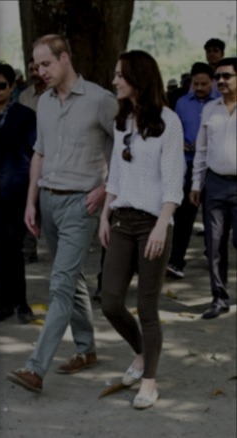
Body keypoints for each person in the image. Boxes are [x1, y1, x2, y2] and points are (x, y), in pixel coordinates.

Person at [6, 34, 117, 394]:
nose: (40, 71)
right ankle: (86, 350)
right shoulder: (46, 103)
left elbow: (127, 148)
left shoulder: (102, 100)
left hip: (83, 204)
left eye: (46, 64)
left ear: (65, 58)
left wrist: (107, 188)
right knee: (71, 279)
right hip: (48, 203)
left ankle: (36, 368)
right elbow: (39, 153)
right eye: (36, 65)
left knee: (60, 285)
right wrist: (31, 202)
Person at [98, 50, 185, 410]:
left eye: (120, 75)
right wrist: (104, 215)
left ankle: (148, 382)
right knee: (110, 301)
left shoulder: (168, 121)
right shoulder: (122, 121)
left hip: (154, 222)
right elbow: (116, 174)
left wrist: (164, 225)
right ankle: (140, 353)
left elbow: (172, 180)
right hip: (120, 220)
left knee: (146, 306)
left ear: (139, 78)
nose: (115, 81)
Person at [190, 57, 237, 319]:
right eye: (217, 76)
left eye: (226, 76)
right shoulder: (210, 109)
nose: (220, 81)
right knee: (214, 242)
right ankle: (219, 298)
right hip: (216, 184)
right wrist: (196, 184)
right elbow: (202, 149)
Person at [0, 63, 36, 323]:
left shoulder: (25, 115)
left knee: (14, 251)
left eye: (2, 86)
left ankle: (21, 304)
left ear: (12, 87)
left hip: (17, 193)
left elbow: (34, 154)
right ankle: (3, 304)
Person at [167, 62, 219, 279]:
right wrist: (182, 144)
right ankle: (176, 262)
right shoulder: (181, 103)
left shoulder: (220, 103)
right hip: (187, 166)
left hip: (214, 168)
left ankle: (216, 262)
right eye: (196, 84)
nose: (199, 87)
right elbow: (174, 130)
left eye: (204, 84)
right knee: (183, 217)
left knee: (215, 219)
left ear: (212, 82)